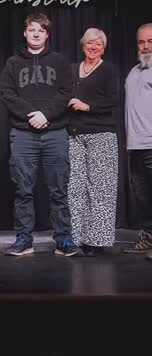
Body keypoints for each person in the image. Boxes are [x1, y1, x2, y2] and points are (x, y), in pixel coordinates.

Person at [0, 13, 79, 256]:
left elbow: (66, 91)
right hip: (23, 134)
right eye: (31, 29)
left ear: (47, 34)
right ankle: (24, 239)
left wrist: (46, 115)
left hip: (55, 132)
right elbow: (7, 94)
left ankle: (63, 239)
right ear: (25, 33)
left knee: (58, 189)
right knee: (23, 189)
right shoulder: (13, 63)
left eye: (40, 30)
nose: (35, 34)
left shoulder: (60, 61)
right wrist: (32, 115)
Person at [67, 30, 119, 255]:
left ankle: (97, 241)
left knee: (101, 189)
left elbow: (115, 99)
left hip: (102, 134)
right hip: (75, 135)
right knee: (76, 188)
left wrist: (88, 106)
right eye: (90, 43)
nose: (94, 47)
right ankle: (77, 239)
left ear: (103, 48)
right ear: (82, 45)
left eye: (98, 44)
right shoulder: (72, 70)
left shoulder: (109, 70)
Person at [124, 24, 152, 259]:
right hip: (135, 146)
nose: (145, 46)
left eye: (150, 41)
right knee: (143, 198)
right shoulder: (134, 71)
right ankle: (149, 238)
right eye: (141, 42)